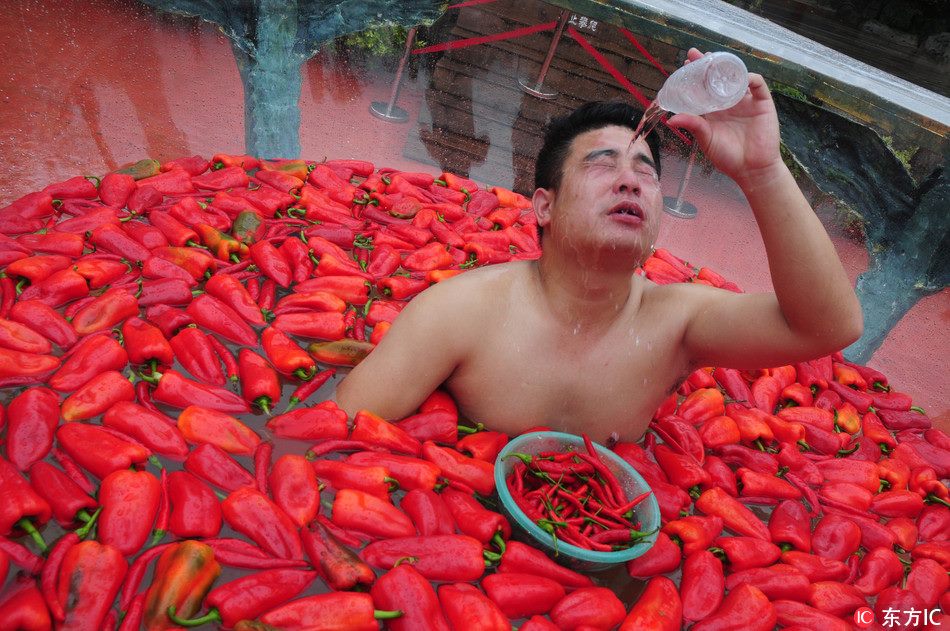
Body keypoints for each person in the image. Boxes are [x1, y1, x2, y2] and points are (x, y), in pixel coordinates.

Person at [336, 48, 864, 443]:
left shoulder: (677, 323)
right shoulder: (459, 312)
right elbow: (335, 434)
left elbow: (826, 328)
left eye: (645, 170)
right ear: (543, 205)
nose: (631, 181)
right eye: (601, 163)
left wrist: (763, 170)